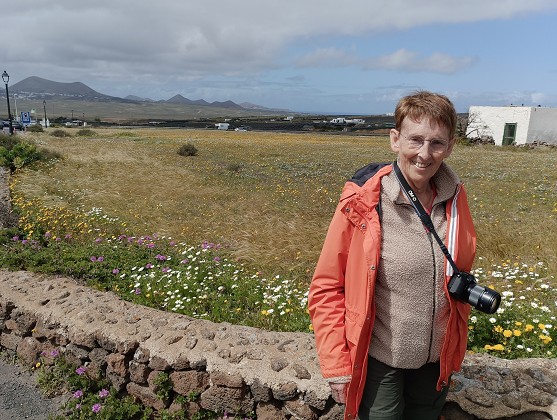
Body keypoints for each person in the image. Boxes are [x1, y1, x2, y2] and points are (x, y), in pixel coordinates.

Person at [308, 91, 476, 420]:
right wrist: (338, 365)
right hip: (381, 361)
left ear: (450, 147)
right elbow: (327, 287)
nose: (424, 154)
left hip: (436, 363)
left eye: (437, 143)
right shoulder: (364, 202)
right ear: (395, 140)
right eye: (415, 140)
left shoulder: (455, 199)